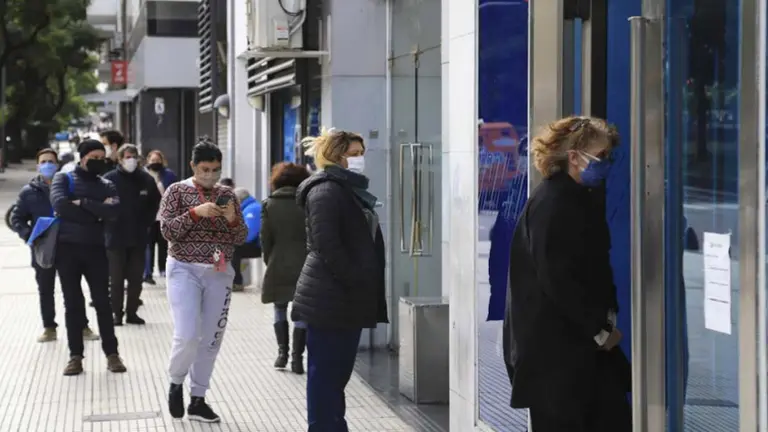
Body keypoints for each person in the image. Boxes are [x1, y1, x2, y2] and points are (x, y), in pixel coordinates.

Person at [502, 116, 631, 432]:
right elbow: (559, 280)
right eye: (600, 156)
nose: (606, 163)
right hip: (561, 360)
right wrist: (599, 331)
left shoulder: (565, 198)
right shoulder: (557, 203)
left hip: (572, 356)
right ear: (574, 157)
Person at [293, 129, 388, 431]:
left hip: (344, 298)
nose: (360, 159)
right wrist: (357, 278)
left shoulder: (347, 189)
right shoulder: (326, 191)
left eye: (362, 153)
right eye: (354, 154)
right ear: (336, 155)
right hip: (329, 300)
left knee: (335, 378)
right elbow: (327, 246)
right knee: (325, 378)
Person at [159, 137, 247, 423]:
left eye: (215, 169)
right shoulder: (176, 191)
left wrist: (233, 219)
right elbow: (167, 231)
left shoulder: (228, 194)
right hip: (184, 267)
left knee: (211, 338)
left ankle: (198, 398)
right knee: (187, 334)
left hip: (219, 271)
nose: (210, 175)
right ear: (193, 166)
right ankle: (175, 382)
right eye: (205, 169)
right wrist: (195, 214)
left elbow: (242, 236)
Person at [50, 139, 127, 376]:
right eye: (93, 157)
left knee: (103, 303)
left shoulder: (106, 183)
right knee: (72, 304)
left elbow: (114, 211)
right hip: (67, 250)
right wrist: (95, 214)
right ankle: (75, 356)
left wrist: (82, 203)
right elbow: (61, 205)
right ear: (81, 157)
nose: (98, 161)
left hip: (95, 249)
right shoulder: (64, 179)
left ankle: (112, 354)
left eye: (101, 157)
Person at [10, 149, 99, 343]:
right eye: (44, 161)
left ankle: (82, 325)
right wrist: (30, 237)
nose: (47, 164)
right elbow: (16, 218)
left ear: (57, 164)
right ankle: (49, 327)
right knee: (45, 289)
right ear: (38, 165)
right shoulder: (28, 192)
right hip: (43, 250)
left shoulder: (68, 187)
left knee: (73, 289)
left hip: (69, 246)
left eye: (51, 161)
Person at [259, 162, 310, 374]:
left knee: (279, 308)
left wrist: (269, 260)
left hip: (278, 261)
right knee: (302, 313)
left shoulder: (269, 205)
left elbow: (265, 239)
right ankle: (297, 359)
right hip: (306, 264)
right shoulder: (307, 203)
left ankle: (282, 353)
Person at [103, 144, 162, 325]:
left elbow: (155, 203)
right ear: (119, 159)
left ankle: (132, 312)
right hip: (115, 236)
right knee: (117, 279)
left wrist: (146, 222)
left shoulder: (146, 179)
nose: (131, 160)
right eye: (127, 157)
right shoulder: (108, 180)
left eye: (133, 157)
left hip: (138, 236)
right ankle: (116, 314)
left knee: (136, 278)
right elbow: (99, 203)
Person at [143, 150, 177, 284]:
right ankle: (148, 272)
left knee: (163, 243)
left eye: (158, 160)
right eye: (153, 160)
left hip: (164, 215)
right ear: (148, 161)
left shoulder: (169, 175)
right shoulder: (143, 175)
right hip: (149, 215)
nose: (155, 163)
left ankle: (163, 269)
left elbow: (173, 192)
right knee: (148, 244)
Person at [231, 187, 261, 292]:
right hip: (258, 244)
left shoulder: (252, 210)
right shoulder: (249, 208)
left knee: (232, 249)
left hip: (259, 246)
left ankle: (236, 282)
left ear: (239, 200)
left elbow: (249, 236)